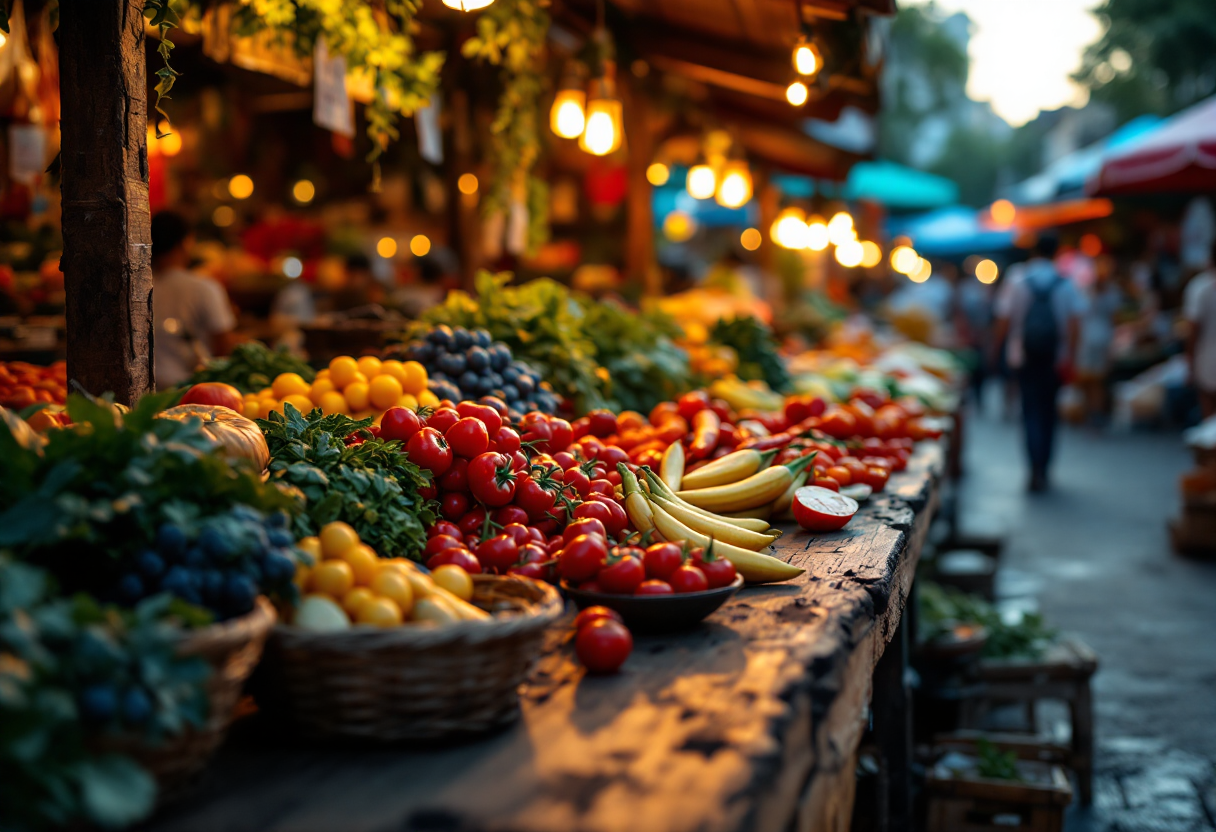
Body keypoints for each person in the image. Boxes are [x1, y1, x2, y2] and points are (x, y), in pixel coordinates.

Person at [993, 235, 1084, 492]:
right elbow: (1075, 324)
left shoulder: (1017, 279)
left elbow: (1003, 319)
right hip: (1055, 359)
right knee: (1049, 413)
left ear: (1033, 250)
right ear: (1057, 252)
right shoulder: (1065, 283)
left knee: (1029, 410)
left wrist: (996, 349)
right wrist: (1072, 359)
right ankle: (1044, 467)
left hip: (1023, 357)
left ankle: (1033, 467)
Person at [151, 211, 236, 389]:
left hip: (144, 391)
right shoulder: (204, 288)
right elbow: (223, 346)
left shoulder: (139, 286)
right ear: (186, 243)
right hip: (190, 392)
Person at [1075, 255, 1122, 424]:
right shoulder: (1109, 292)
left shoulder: (1088, 292)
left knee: (1090, 379)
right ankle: (1094, 412)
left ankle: (1091, 412)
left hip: (1089, 338)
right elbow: (1114, 319)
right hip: (1101, 337)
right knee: (1096, 380)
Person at [1186, 246, 1216, 418]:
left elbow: (1193, 328)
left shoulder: (1200, 286)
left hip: (1207, 357)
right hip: (1207, 355)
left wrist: (1190, 360)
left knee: (1208, 412)